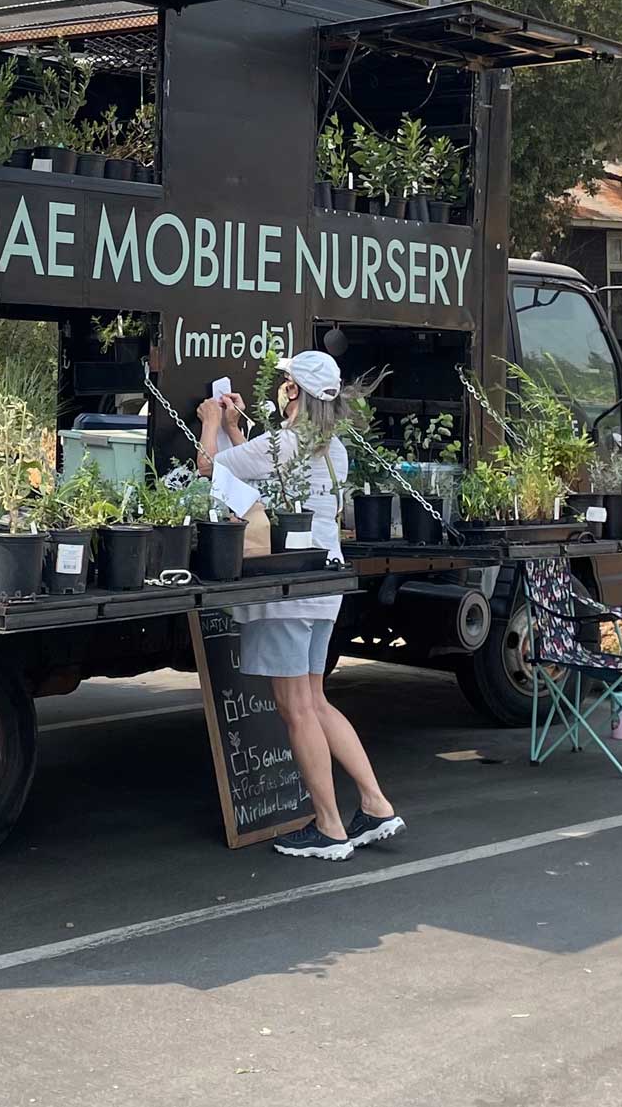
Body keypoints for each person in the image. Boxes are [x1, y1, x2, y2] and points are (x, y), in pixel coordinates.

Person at [196, 350, 403, 862]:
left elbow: (209, 469)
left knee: (296, 709)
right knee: (316, 699)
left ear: (292, 392)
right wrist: (239, 430)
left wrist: (209, 423)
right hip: (324, 583)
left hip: (286, 589)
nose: (279, 386)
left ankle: (330, 827)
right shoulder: (334, 449)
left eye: (284, 380)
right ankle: (375, 804)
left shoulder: (282, 443)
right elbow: (268, 481)